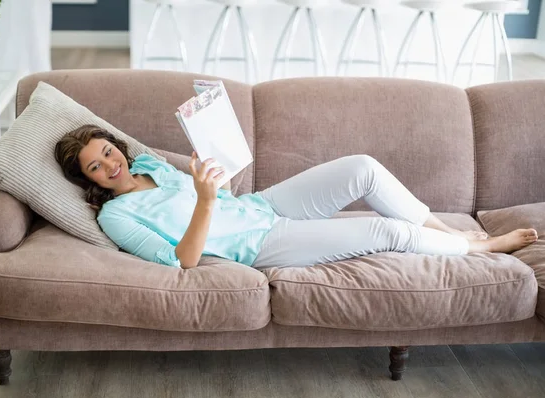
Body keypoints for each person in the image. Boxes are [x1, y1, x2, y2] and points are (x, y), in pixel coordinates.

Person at [55, 124, 538, 270]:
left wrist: (216, 164)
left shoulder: (148, 165)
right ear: (89, 180)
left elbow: (217, 193)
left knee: (362, 168)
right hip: (260, 246)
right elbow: (183, 260)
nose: (110, 163)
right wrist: (204, 202)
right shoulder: (116, 217)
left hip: (262, 206)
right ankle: (478, 247)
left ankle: (445, 232)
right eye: (96, 166)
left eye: (108, 151)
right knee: (384, 230)